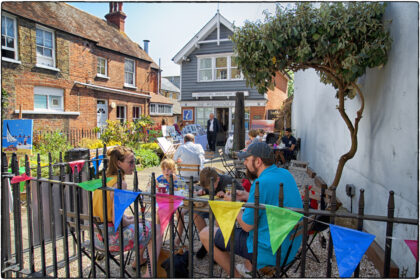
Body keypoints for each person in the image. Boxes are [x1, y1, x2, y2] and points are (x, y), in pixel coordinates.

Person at [199, 142, 303, 277]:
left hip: (268, 249)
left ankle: (236, 276)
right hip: (288, 246)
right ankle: (247, 268)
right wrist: (247, 196)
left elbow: (247, 226)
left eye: (247, 160)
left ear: (258, 161)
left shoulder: (261, 183)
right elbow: (271, 201)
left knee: (205, 233)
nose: (245, 164)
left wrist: (234, 205)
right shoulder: (284, 173)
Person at [92, 146, 162, 275]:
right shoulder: (120, 183)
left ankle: (139, 260)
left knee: (144, 224)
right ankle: (150, 275)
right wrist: (131, 221)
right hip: (111, 238)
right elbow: (117, 221)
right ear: (119, 163)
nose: (134, 165)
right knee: (156, 229)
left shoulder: (103, 179)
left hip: (97, 236)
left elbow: (109, 214)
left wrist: (130, 219)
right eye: (130, 162)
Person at [193, 167, 243, 259]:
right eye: (208, 187)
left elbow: (244, 196)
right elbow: (206, 191)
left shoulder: (228, 180)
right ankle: (206, 242)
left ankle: (217, 247)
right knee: (196, 214)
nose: (211, 189)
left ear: (218, 179)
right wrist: (203, 191)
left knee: (218, 219)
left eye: (213, 186)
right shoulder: (208, 181)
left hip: (228, 211)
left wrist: (226, 193)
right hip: (213, 208)